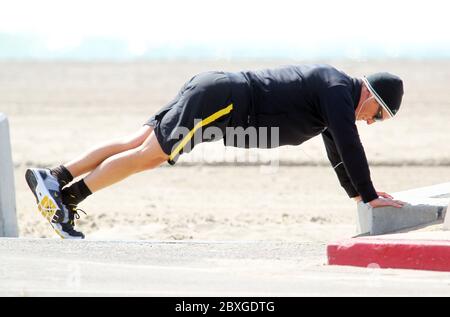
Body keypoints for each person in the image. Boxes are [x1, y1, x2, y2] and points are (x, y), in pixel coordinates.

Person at [25, 64, 406, 239]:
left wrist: (357, 192)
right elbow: (349, 142)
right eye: (379, 115)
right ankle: (65, 196)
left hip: (215, 91)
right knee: (151, 155)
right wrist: (371, 197)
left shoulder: (334, 91)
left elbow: (337, 149)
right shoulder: (339, 90)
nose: (372, 123)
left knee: (137, 144)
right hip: (223, 100)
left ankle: (56, 179)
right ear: (371, 96)